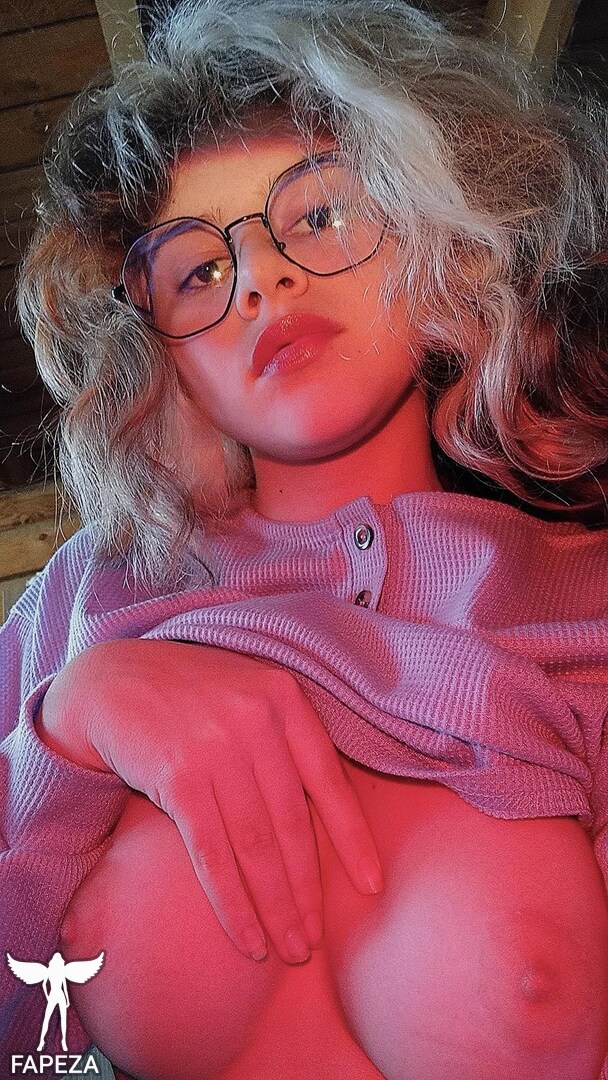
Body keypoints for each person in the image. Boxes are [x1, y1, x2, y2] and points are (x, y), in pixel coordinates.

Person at [2, 0, 608, 1076]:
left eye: (319, 214)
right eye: (195, 271)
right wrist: (68, 728)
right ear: (159, 357)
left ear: (447, 240)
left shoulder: (584, 594)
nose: (260, 279)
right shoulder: (78, 605)